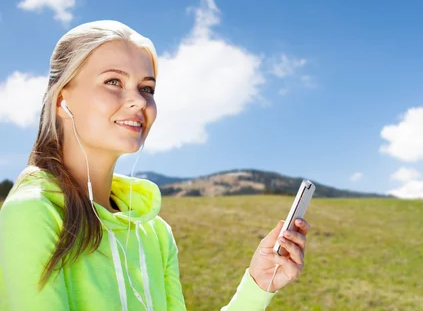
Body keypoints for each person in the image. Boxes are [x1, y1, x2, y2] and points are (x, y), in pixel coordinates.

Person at [0, 20, 310, 311]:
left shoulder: (154, 232)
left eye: (147, 88)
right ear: (60, 99)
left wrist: (258, 284)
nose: (138, 101)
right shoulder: (33, 212)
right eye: (113, 81)